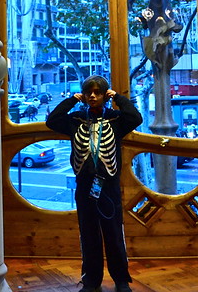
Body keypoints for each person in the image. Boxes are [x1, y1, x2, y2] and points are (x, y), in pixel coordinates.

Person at [46, 75, 142, 292]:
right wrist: (72, 100)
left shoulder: (116, 120)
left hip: (108, 186)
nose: (92, 96)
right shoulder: (75, 119)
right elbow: (52, 120)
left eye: (98, 92)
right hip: (85, 185)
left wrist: (117, 97)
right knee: (88, 234)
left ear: (104, 95)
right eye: (88, 92)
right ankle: (91, 280)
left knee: (114, 233)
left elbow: (135, 118)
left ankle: (121, 279)